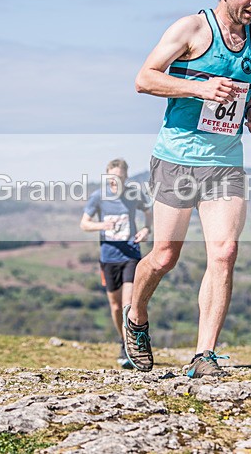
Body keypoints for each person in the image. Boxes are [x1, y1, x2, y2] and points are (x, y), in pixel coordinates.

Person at [123, 0, 251, 378]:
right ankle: (137, 313)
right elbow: (145, 78)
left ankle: (204, 355)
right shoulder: (191, 28)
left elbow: (240, 90)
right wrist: (198, 90)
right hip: (178, 158)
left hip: (225, 162)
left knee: (224, 251)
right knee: (165, 257)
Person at [80, 158, 152, 369]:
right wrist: (103, 225)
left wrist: (147, 229)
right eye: (111, 178)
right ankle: (124, 340)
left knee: (128, 303)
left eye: (119, 178)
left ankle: (129, 348)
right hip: (108, 257)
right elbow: (84, 224)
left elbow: (148, 211)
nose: (115, 182)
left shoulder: (134, 194)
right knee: (115, 306)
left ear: (125, 178)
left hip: (131, 254)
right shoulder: (98, 197)